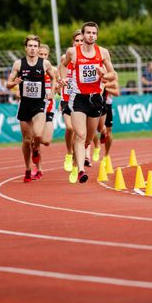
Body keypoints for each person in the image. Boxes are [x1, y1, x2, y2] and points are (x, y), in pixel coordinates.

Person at [59, 21, 114, 184]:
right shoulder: (72, 52)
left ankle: (77, 161)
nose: (91, 35)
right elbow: (63, 65)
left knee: (89, 138)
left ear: (96, 36)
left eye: (94, 33)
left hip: (96, 98)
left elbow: (113, 74)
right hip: (78, 99)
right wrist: (63, 79)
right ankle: (80, 169)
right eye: (88, 32)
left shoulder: (103, 53)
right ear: (82, 35)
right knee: (80, 135)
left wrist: (104, 74)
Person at [6, 35, 55, 183]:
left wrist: (52, 92)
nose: (33, 49)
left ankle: (36, 150)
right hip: (25, 105)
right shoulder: (18, 64)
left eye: (35, 46)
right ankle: (28, 168)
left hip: (39, 104)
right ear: (26, 48)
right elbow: (8, 84)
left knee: (38, 135)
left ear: (38, 48)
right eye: (30, 46)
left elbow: (53, 78)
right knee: (27, 140)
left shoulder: (45, 64)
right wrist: (13, 83)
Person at [58, 29, 83, 182]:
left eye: (81, 40)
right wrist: (62, 79)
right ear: (72, 43)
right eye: (77, 41)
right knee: (70, 128)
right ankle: (68, 153)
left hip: (81, 98)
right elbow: (61, 68)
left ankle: (75, 167)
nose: (79, 43)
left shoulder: (88, 58)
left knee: (81, 136)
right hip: (67, 97)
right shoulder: (66, 56)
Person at [31, 44, 57, 180]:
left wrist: (57, 89)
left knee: (46, 140)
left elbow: (58, 86)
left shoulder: (53, 71)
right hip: (34, 110)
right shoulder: (29, 70)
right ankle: (38, 167)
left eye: (45, 55)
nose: (42, 57)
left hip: (48, 110)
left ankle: (35, 146)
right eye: (40, 54)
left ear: (48, 56)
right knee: (35, 136)